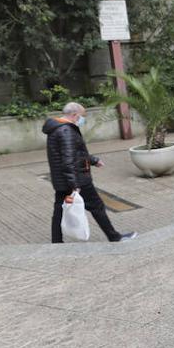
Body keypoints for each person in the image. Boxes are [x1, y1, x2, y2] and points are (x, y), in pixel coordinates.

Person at [43, 102, 136, 244]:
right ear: (74, 115)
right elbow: (68, 161)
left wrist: (93, 160)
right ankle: (114, 237)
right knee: (97, 206)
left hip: (62, 180)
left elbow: (75, 153)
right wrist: (74, 185)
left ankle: (56, 242)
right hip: (77, 179)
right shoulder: (66, 131)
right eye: (81, 116)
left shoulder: (57, 128)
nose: (82, 119)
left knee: (59, 210)